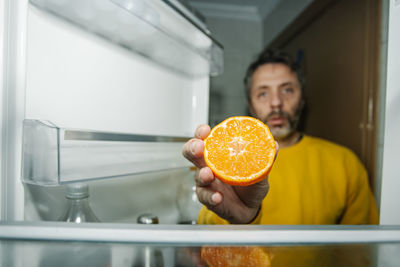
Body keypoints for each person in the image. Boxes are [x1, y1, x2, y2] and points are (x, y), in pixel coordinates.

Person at [182, 49, 378, 225]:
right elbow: (208, 239)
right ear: (250, 105)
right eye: (263, 93)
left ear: (302, 99)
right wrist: (239, 219)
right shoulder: (225, 164)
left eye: (287, 90)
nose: (276, 103)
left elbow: (362, 252)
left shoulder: (345, 163)